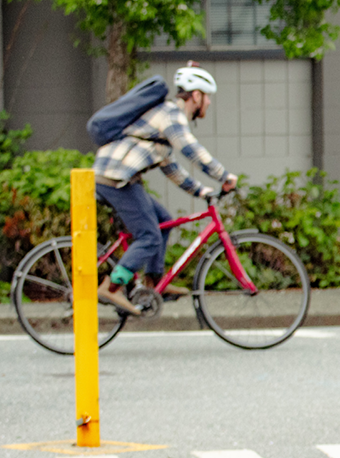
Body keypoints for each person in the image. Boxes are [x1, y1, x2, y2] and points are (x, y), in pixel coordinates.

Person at [94, 64, 238, 314]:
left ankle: (153, 282)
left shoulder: (164, 120)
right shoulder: (171, 114)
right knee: (148, 236)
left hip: (120, 178)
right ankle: (111, 287)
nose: (209, 103)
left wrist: (203, 192)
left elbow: (171, 168)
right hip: (114, 178)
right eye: (207, 97)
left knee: (164, 221)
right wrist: (223, 175)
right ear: (196, 95)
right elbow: (189, 149)